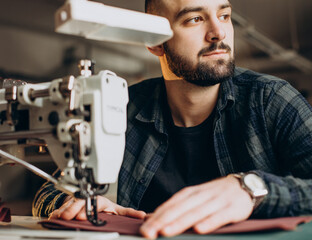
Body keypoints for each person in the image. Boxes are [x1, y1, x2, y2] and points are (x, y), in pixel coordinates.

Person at [33, 0, 312, 238]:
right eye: (194, 19)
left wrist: (253, 189)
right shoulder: (121, 108)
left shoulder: (272, 100)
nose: (218, 32)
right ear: (155, 44)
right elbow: (48, 193)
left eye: (224, 16)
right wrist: (78, 203)